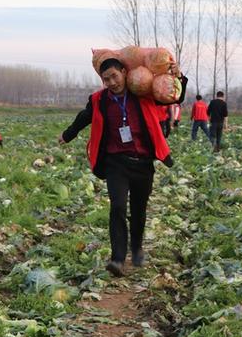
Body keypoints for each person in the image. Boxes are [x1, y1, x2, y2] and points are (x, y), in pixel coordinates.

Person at [59, 58, 187, 277]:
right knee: (117, 206)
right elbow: (84, 117)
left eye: (114, 76)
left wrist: (178, 77)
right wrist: (67, 135)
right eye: (106, 79)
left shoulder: (142, 92)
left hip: (143, 163)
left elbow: (174, 97)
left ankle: (136, 249)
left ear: (124, 73)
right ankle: (117, 258)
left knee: (139, 210)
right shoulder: (100, 100)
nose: (111, 82)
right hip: (115, 163)